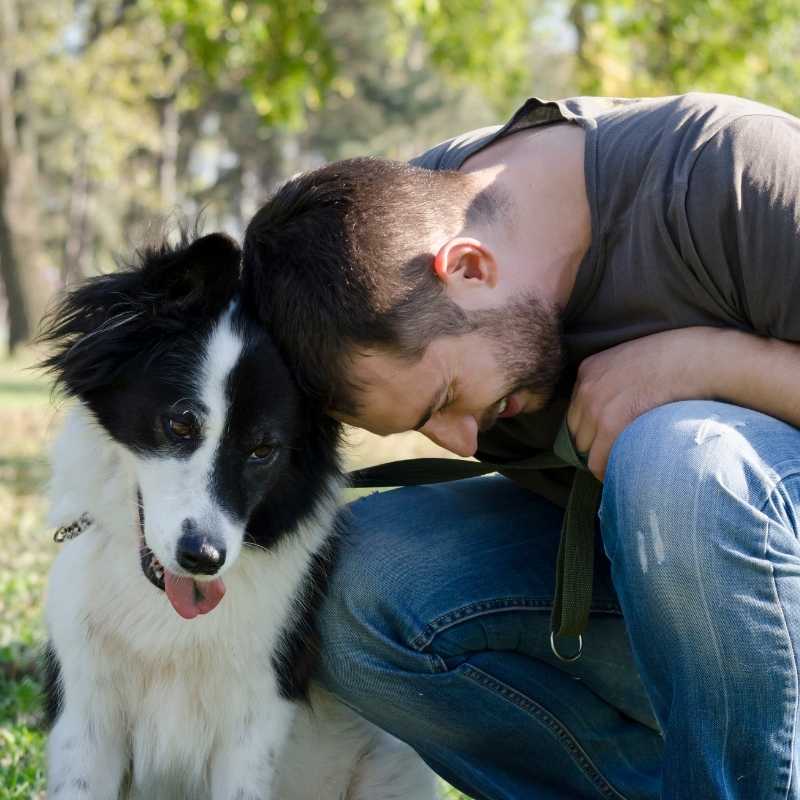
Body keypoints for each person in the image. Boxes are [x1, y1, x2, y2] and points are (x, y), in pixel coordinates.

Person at [240, 93, 800, 799]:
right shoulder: (370, 251)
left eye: (443, 400)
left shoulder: (729, 169)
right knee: (351, 586)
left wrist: (708, 365)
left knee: (678, 461)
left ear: (470, 268)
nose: (465, 441)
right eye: (423, 425)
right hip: (660, 614)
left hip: (770, 594)